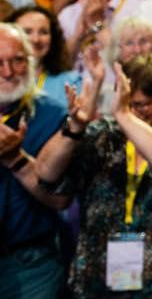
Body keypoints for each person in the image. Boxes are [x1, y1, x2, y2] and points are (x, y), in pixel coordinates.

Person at [31, 53, 152, 297]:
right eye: (128, 104)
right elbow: (46, 175)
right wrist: (75, 128)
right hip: (105, 282)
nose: (135, 113)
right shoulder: (104, 135)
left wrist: (124, 116)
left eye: (143, 105)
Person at [0, 22, 70, 297]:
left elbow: (61, 198)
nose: (8, 72)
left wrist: (14, 159)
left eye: (17, 60)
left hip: (31, 264)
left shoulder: (53, 115)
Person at [10, 5, 81, 105]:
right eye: (27, 31)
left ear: (53, 38)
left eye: (43, 32)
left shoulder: (71, 81)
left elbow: (82, 118)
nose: (36, 39)